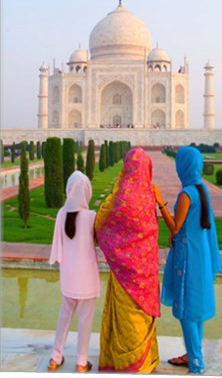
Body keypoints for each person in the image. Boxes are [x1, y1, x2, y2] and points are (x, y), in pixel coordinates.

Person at [153, 146, 222, 375]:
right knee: (196, 310)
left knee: (186, 312)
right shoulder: (201, 189)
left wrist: (160, 203)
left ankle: (196, 363)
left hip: (188, 258)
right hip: (200, 254)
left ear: (182, 166)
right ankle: (191, 353)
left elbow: (175, 225)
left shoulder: (186, 194)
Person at [95, 147, 160, 373]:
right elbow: (151, 231)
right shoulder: (149, 196)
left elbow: (102, 222)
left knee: (125, 314)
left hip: (124, 270)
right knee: (139, 313)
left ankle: (122, 360)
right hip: (146, 270)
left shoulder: (120, 196)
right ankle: (144, 361)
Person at [48, 170, 101, 373]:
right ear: (86, 192)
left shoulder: (62, 214)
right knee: (85, 319)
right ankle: (81, 361)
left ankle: (55, 356)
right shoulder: (90, 217)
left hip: (68, 276)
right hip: (86, 278)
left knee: (64, 315)